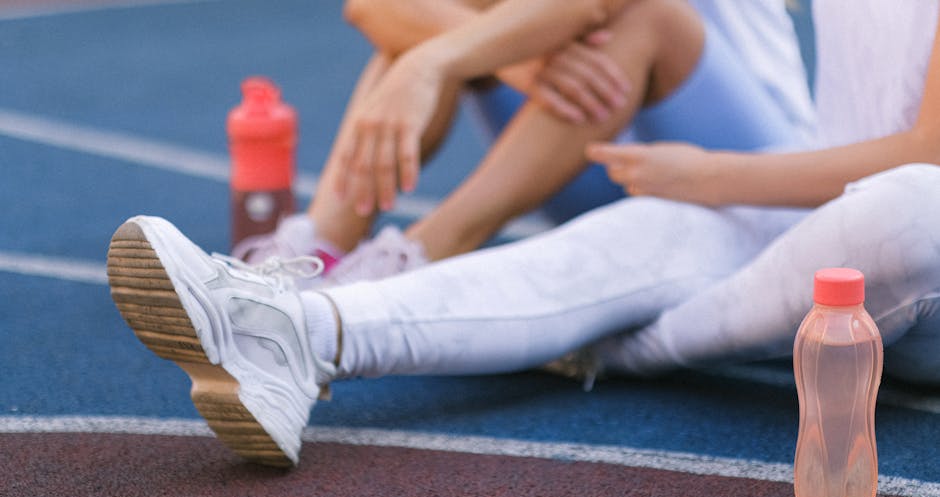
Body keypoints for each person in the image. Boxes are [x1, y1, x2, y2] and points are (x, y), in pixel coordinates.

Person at [106, 0, 940, 468]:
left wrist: (709, 174)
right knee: (598, 241)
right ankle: (305, 315)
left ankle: (412, 277)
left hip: (808, 197)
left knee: (910, 206)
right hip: (716, 188)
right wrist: (485, 56)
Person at [232, 0, 814, 284]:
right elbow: (375, 4)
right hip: (592, 144)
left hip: (745, 173)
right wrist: (516, 63)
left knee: (650, 16)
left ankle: (408, 263)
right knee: (412, 40)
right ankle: (309, 258)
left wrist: (442, 57)